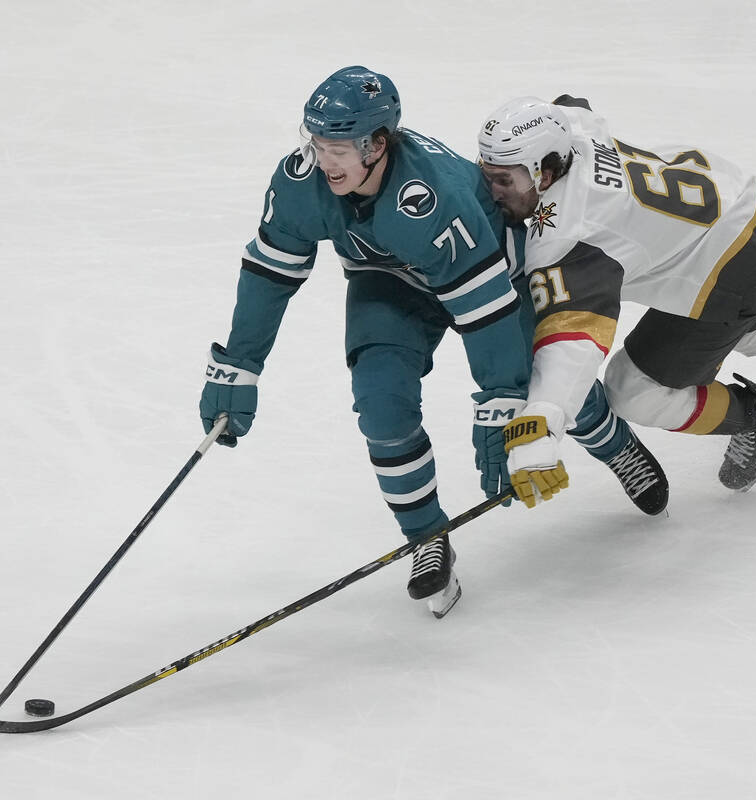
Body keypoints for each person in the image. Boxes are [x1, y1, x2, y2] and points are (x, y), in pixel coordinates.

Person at [199, 68, 667, 618]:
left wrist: (502, 397)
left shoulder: (434, 197)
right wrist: (239, 365)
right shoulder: (300, 182)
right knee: (381, 410)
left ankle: (616, 446)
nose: (325, 161)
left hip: (493, 278)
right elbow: (269, 275)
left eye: (340, 148)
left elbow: (485, 310)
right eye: (317, 142)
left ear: (377, 144)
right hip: (390, 282)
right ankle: (425, 537)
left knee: (549, 388)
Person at [476, 95, 756, 495]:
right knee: (744, 320)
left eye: (505, 180)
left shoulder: (570, 234)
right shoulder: (572, 133)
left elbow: (571, 342)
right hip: (750, 204)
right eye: (487, 173)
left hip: (732, 268)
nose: (493, 191)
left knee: (633, 391)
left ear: (548, 170)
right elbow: (573, 106)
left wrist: (544, 419)